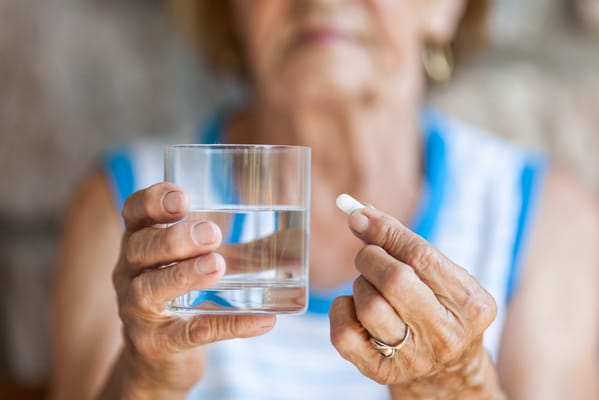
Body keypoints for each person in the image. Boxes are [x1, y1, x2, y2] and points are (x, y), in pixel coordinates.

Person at [50, 1, 599, 399]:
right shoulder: (130, 207)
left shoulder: (546, 221)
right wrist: (147, 383)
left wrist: (457, 390)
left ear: (446, 9)